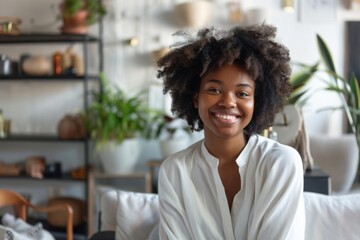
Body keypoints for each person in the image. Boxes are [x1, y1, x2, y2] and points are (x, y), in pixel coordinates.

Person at [156, 24, 305, 240]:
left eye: (243, 93)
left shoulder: (281, 163)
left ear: (257, 101)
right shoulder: (175, 171)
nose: (228, 102)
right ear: (196, 97)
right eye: (214, 90)